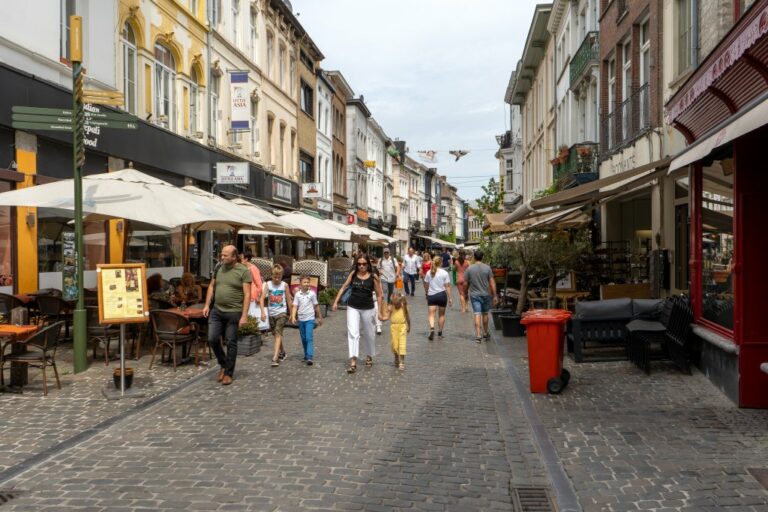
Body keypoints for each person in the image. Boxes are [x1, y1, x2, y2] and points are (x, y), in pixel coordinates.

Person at [203, 245, 252, 385]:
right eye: (222, 254)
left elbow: (247, 294)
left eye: (225, 255)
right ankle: (223, 364)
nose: (222, 257)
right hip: (217, 310)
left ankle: (228, 373)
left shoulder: (243, 271)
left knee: (231, 342)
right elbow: (212, 286)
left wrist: (244, 315)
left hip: (234, 312)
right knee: (212, 339)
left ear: (234, 257)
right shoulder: (219, 267)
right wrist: (207, 304)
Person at [333, 253, 386, 373]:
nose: (361, 266)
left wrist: (380, 313)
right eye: (359, 264)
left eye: (364, 264)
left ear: (368, 264)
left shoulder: (373, 277)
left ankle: (369, 355)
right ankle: (353, 361)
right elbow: (343, 287)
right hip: (353, 306)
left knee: (369, 333)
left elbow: (379, 294)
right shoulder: (353, 274)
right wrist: (336, 301)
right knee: (353, 332)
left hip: (368, 307)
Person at [260, 264, 293, 367]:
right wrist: (262, 312)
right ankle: (283, 352)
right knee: (276, 334)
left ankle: (275, 357)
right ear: (272, 275)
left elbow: (288, 300)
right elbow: (262, 298)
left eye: (279, 277)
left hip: (281, 313)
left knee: (278, 334)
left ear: (282, 276)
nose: (277, 279)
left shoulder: (284, 285)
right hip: (271, 313)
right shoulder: (268, 284)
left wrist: (292, 314)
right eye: (275, 277)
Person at [463, 249, 497, 343]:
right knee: (485, 314)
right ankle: (485, 333)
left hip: (474, 295)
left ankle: (478, 335)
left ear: (474, 257)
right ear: (482, 257)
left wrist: (465, 293)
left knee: (477, 314)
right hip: (486, 294)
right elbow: (492, 282)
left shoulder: (469, 268)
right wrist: (495, 295)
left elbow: (465, 283)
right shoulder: (487, 268)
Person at [290, 275, 322, 365]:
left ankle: (309, 357)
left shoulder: (312, 294)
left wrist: (319, 317)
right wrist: (293, 316)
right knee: (303, 338)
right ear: (300, 283)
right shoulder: (297, 294)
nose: (307, 284)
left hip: (310, 319)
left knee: (309, 338)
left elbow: (316, 305)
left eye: (308, 282)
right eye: (304, 282)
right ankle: (306, 354)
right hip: (301, 319)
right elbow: (295, 306)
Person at [423, 256, 453, 340]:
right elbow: (447, 286)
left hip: (432, 295)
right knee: (442, 315)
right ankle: (440, 332)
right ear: (441, 263)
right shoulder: (444, 273)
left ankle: (432, 328)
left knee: (431, 314)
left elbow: (425, 283)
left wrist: (426, 292)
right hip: (442, 295)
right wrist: (450, 297)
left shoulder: (429, 272)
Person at [388, 292, 410, 371]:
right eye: (394, 303)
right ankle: (396, 356)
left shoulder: (404, 306)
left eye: (397, 303)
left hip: (402, 326)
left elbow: (407, 316)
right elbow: (387, 315)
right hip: (393, 327)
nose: (396, 305)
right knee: (394, 344)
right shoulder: (391, 306)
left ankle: (402, 362)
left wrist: (409, 326)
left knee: (402, 344)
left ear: (400, 301)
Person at [239, 251, 263, 317]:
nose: (240, 261)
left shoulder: (253, 268)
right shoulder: (244, 269)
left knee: (252, 315)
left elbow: (259, 284)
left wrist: (259, 295)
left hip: (253, 296)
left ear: (246, 259)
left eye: (241, 259)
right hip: (246, 295)